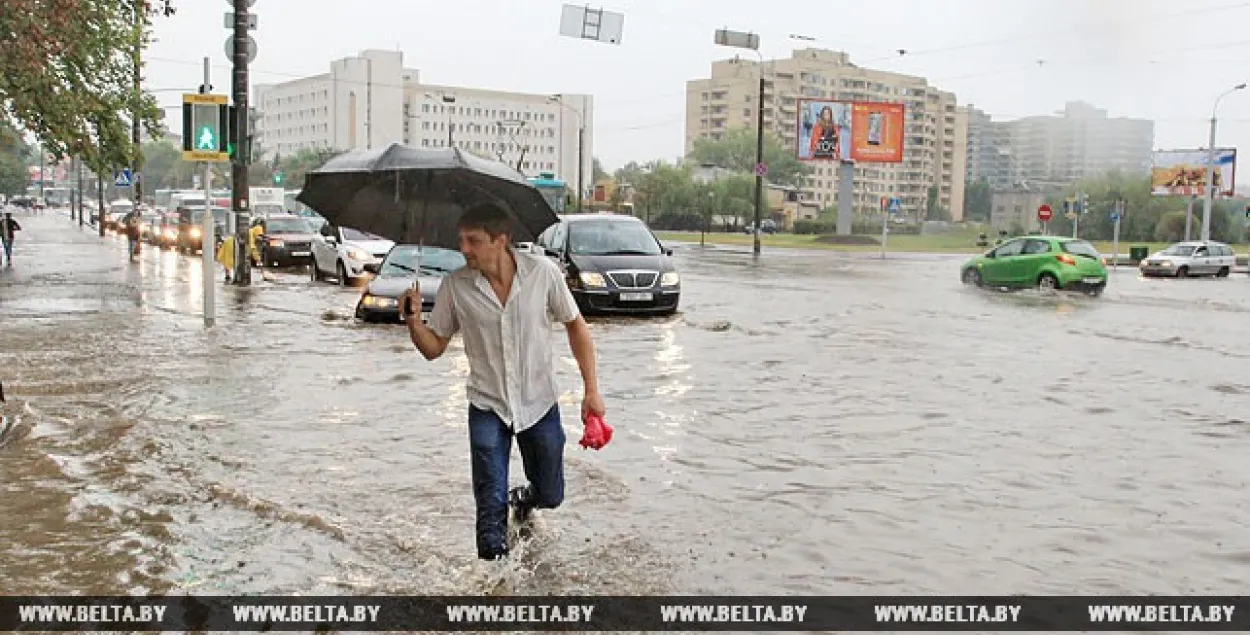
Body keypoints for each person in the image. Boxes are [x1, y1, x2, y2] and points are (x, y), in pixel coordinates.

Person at [397, 202, 605, 561]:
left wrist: (592, 390)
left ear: (501, 240)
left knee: (552, 494)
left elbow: (576, 326)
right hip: (487, 405)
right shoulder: (455, 286)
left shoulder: (544, 274)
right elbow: (434, 349)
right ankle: (493, 590)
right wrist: (414, 323)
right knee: (489, 507)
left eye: (473, 241)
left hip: (539, 403)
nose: (463, 249)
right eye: (461, 240)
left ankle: (523, 501)